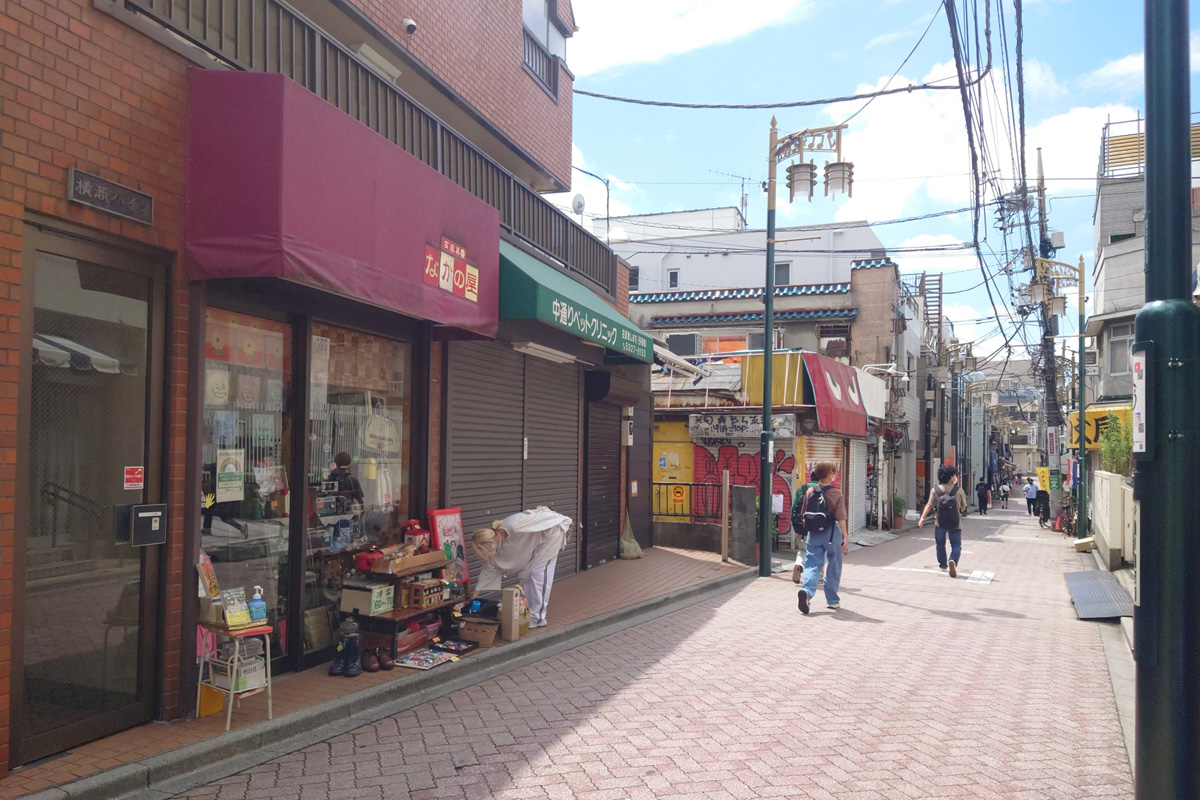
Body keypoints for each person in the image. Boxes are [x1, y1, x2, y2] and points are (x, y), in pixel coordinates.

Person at [472, 506, 572, 628]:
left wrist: (563, 520)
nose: (487, 554)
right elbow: (486, 572)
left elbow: (542, 517)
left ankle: (539, 617)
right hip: (539, 542)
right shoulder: (494, 551)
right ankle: (529, 613)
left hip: (552, 534)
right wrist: (473, 599)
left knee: (538, 572)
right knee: (526, 575)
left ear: (491, 543)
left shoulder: (514, 524)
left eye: (485, 551)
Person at [796, 461, 849, 614]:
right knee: (834, 563)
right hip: (831, 533)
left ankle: (807, 591)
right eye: (833, 472)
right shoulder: (836, 493)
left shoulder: (810, 491)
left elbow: (803, 514)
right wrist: (845, 537)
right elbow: (841, 518)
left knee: (812, 563)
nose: (834, 475)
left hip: (813, 533)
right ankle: (832, 600)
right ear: (828, 474)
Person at [918, 464, 968, 577]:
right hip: (956, 522)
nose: (955, 477)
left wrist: (922, 518)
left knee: (940, 544)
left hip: (939, 522)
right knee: (956, 545)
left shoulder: (935, 490)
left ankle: (943, 565)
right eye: (954, 475)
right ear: (951, 477)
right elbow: (963, 507)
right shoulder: (959, 490)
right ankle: (953, 560)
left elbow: (929, 505)